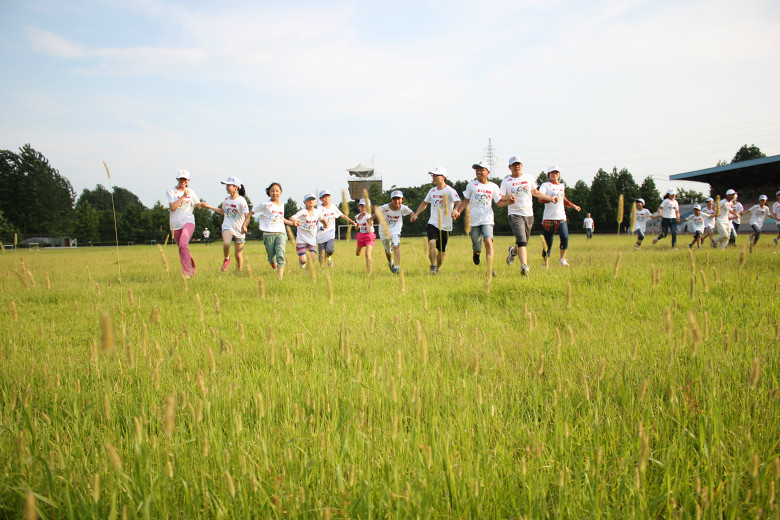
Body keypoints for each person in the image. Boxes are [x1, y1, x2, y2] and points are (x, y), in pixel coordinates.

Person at [498, 156, 557, 277]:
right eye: (514, 165)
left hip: (529, 214)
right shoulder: (506, 181)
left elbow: (536, 193)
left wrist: (550, 198)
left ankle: (512, 252)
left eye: (518, 164)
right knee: (521, 239)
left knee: (522, 241)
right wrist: (508, 199)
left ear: (522, 166)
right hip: (515, 214)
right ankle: (524, 266)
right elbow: (500, 199)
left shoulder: (528, 178)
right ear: (509, 167)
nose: (517, 167)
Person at [452, 161, 501, 273]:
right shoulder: (471, 185)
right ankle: (476, 252)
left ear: (488, 172)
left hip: (487, 218)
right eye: (477, 170)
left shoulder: (493, 186)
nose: (479, 172)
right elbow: (465, 201)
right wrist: (458, 211)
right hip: (473, 220)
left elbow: (499, 202)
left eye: (481, 170)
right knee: (477, 244)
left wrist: (510, 201)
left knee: (488, 241)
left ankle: (490, 269)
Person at [411, 166, 461, 274]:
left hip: (446, 225)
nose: (433, 177)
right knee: (431, 243)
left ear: (443, 177)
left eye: (436, 175)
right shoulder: (431, 191)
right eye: (432, 175)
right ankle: (433, 266)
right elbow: (424, 203)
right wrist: (416, 214)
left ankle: (437, 268)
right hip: (433, 222)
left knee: (441, 251)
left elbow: (459, 202)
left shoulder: (450, 191)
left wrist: (456, 210)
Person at [249, 182, 299, 280]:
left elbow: (281, 218)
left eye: (277, 191)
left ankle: (279, 278)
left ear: (280, 192)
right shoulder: (265, 204)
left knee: (280, 254)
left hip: (281, 233)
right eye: (272, 191)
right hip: (268, 234)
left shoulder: (281, 205)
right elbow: (251, 212)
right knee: (271, 258)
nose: (275, 193)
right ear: (269, 192)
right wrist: (245, 224)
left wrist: (292, 223)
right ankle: (274, 265)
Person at [201, 176, 250, 272]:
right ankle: (226, 258)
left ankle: (238, 272)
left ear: (236, 187)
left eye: (229, 185)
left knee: (238, 255)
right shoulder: (226, 199)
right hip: (227, 225)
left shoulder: (241, 201)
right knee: (226, 243)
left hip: (239, 229)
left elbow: (247, 216)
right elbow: (222, 211)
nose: (227, 187)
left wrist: (244, 226)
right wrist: (208, 206)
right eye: (226, 185)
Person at [538, 165, 581, 267]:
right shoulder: (545, 185)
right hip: (548, 218)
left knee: (565, 237)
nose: (554, 174)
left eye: (556, 173)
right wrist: (550, 198)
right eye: (552, 173)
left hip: (561, 216)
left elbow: (563, 199)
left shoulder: (562, 186)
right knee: (548, 243)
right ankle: (545, 263)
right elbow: (540, 198)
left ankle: (562, 259)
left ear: (559, 174)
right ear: (549, 175)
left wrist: (573, 206)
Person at [165, 170, 200, 277]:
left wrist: (205, 205)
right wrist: (183, 196)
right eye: (181, 179)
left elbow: (198, 204)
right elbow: (172, 208)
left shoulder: (191, 192)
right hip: (175, 225)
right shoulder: (171, 191)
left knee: (183, 244)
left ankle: (186, 273)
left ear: (188, 180)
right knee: (182, 247)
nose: (183, 181)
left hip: (188, 220)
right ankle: (192, 266)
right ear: (177, 179)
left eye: (185, 179)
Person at [374, 190, 413, 273]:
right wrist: (370, 219)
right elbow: (377, 212)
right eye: (394, 199)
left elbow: (411, 212)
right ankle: (390, 263)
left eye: (399, 199)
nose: (397, 201)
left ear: (402, 199)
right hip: (383, 230)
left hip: (395, 228)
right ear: (391, 200)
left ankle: (397, 267)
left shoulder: (403, 208)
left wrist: (413, 216)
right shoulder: (385, 207)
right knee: (388, 250)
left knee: (395, 246)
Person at [317, 190, 356, 267]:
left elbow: (342, 215)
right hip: (321, 234)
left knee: (330, 250)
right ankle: (323, 270)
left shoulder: (333, 207)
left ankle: (328, 257)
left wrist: (352, 222)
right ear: (320, 199)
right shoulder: (319, 208)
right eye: (324, 197)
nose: (326, 199)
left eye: (328, 197)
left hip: (330, 233)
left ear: (330, 198)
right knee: (321, 258)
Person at [292, 193, 327, 269]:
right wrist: (295, 221)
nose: (311, 201)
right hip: (301, 238)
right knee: (303, 260)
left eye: (312, 199)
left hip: (312, 239)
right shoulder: (303, 212)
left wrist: (325, 224)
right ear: (305, 202)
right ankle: (301, 262)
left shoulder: (317, 212)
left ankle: (307, 273)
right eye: (308, 200)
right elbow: (292, 217)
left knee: (312, 259)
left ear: (315, 202)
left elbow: (322, 219)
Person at [354, 198, 375, 274]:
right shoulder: (357, 217)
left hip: (369, 236)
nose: (363, 208)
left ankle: (369, 272)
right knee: (357, 253)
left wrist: (370, 221)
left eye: (365, 206)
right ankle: (362, 246)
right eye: (362, 206)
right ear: (359, 207)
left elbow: (371, 223)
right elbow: (358, 225)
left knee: (367, 254)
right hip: (361, 236)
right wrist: (356, 226)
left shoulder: (368, 216)